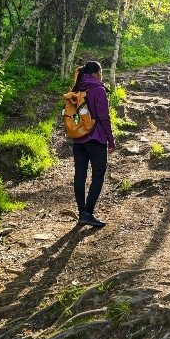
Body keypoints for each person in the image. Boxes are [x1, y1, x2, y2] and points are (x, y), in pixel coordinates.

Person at [70, 61, 115, 227]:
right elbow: (104, 117)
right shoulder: (98, 89)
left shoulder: (76, 89)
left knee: (80, 176)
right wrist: (111, 139)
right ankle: (88, 213)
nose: (101, 76)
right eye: (101, 73)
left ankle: (82, 212)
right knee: (98, 174)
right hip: (95, 138)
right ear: (96, 73)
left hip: (78, 139)